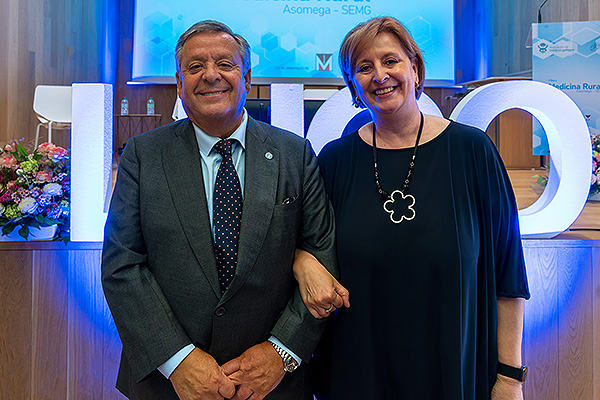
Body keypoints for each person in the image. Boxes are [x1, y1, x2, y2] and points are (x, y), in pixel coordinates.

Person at [293, 16, 530, 399]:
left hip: (453, 372)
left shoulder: (473, 153)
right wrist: (301, 260)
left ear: (415, 69)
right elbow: (306, 245)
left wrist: (508, 377)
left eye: (391, 61)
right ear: (353, 84)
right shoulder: (335, 161)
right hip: (359, 374)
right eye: (364, 68)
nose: (379, 75)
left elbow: (509, 275)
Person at [101, 20, 340, 400]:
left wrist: (281, 353)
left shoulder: (295, 154)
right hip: (170, 385)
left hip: (274, 384)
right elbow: (122, 265)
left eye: (224, 64)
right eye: (195, 67)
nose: (210, 75)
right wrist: (177, 360)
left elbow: (322, 255)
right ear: (180, 85)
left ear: (246, 76)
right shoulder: (143, 155)